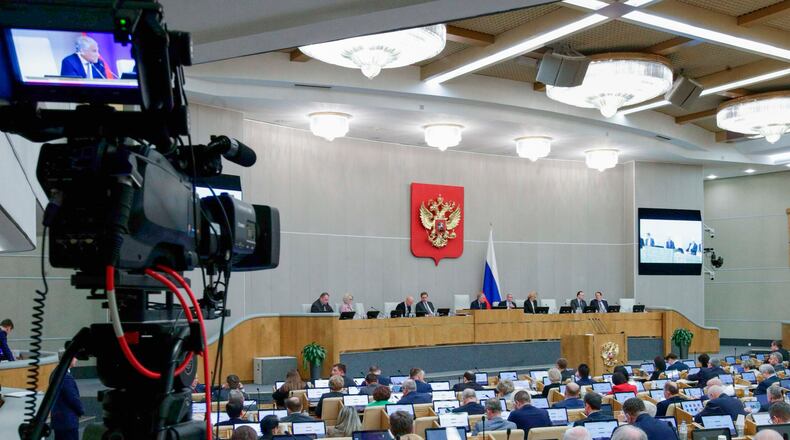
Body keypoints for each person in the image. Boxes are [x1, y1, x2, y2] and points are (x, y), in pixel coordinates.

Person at [50, 355, 84, 440]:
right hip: (67, 421)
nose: (76, 360)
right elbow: (72, 398)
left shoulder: (56, 372)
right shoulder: (65, 376)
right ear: (69, 359)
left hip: (60, 420)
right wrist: (81, 410)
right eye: (75, 357)